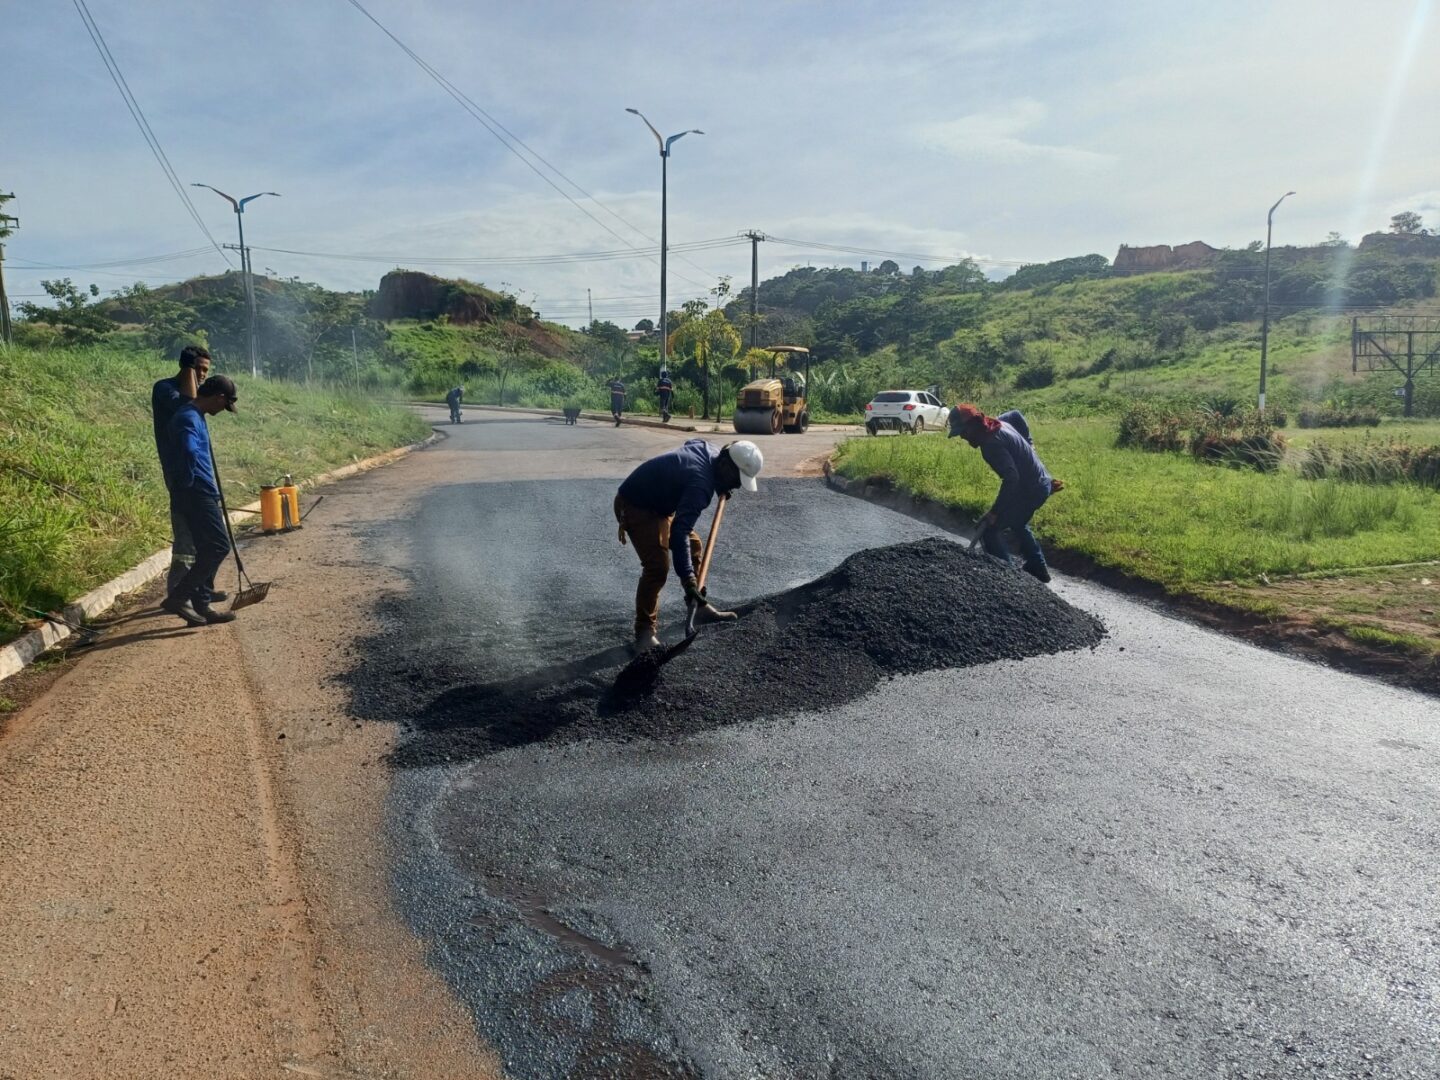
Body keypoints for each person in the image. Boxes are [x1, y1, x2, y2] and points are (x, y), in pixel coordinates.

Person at [614, 439, 764, 651]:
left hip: (658, 505)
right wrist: (688, 579)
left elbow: (693, 442)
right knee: (657, 567)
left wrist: (722, 483)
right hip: (634, 505)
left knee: (694, 546)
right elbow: (679, 532)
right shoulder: (700, 485)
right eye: (737, 479)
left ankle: (698, 605)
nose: (738, 485)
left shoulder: (711, 451)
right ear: (724, 465)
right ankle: (644, 633)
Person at [159, 375, 241, 626]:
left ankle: (203, 606)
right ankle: (178, 597)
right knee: (218, 546)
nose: (223, 409)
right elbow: (188, 450)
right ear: (219, 397)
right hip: (196, 493)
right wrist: (190, 483)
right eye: (225, 404)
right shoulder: (188, 418)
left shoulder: (195, 415)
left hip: (199, 491)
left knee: (206, 549)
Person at [947, 405, 1059, 583]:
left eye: (963, 431)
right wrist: (1030, 446)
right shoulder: (998, 423)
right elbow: (1016, 414)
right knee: (1018, 521)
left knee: (989, 530)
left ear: (975, 424)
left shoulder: (990, 445)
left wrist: (994, 512)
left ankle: (1007, 581)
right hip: (1037, 483)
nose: (962, 436)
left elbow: (1011, 478)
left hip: (1032, 490)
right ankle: (1037, 566)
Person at [151, 344, 225, 605]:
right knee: (187, 537)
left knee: (209, 537)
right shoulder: (164, 389)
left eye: (206, 370)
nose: (202, 375)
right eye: (198, 369)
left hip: (198, 475)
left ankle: (202, 588)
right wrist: (188, 372)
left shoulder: (195, 398)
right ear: (186, 368)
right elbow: (187, 404)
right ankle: (178, 593)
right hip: (181, 476)